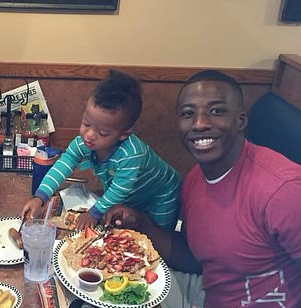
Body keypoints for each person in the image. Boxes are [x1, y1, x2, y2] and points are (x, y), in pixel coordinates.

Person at [103, 70, 301, 308]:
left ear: (240, 120)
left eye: (216, 110)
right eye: (188, 114)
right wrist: (143, 224)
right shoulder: (196, 179)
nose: (199, 123)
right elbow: (200, 257)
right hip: (211, 305)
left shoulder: (287, 192)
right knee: (105, 298)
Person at [21, 70, 181, 230]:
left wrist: (94, 213)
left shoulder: (131, 154)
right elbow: (64, 164)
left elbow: (118, 191)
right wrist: (40, 197)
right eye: (86, 123)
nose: (89, 135)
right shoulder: (83, 142)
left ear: (124, 134)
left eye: (103, 133)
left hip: (162, 194)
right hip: (130, 196)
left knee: (156, 236)